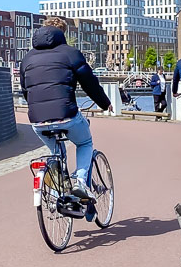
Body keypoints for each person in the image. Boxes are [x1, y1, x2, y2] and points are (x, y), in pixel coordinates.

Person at [20, 17, 113, 197]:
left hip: (37, 120)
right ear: (62, 33)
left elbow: (26, 90)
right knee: (85, 143)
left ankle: (57, 191)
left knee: (56, 151)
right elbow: (89, 83)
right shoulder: (70, 53)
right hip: (66, 115)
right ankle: (80, 183)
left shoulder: (27, 58)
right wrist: (104, 102)